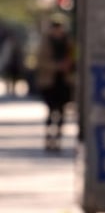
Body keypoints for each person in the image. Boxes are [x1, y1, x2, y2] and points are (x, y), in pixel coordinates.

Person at [34, 17, 74, 150]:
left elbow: (74, 58)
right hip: (49, 82)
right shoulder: (45, 43)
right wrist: (57, 66)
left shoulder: (68, 42)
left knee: (62, 111)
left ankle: (58, 138)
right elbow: (40, 62)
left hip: (64, 81)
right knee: (51, 110)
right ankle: (48, 138)